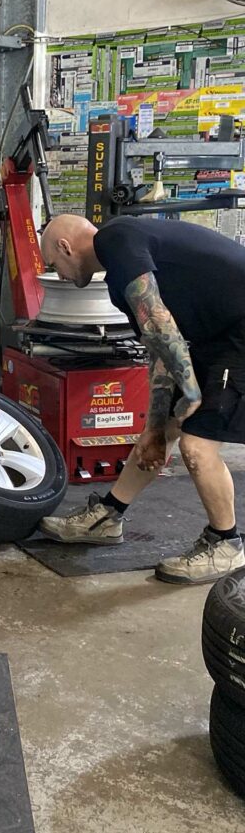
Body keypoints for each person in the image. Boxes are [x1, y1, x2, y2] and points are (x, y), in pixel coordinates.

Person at [37, 213, 245, 585]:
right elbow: (161, 348)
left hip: (239, 333)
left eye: (55, 265)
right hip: (218, 333)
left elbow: (158, 321)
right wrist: (155, 425)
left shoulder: (115, 240)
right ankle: (108, 516)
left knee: (197, 446)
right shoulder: (122, 273)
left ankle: (226, 544)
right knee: (160, 434)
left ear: (65, 247)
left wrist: (192, 392)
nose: (60, 275)